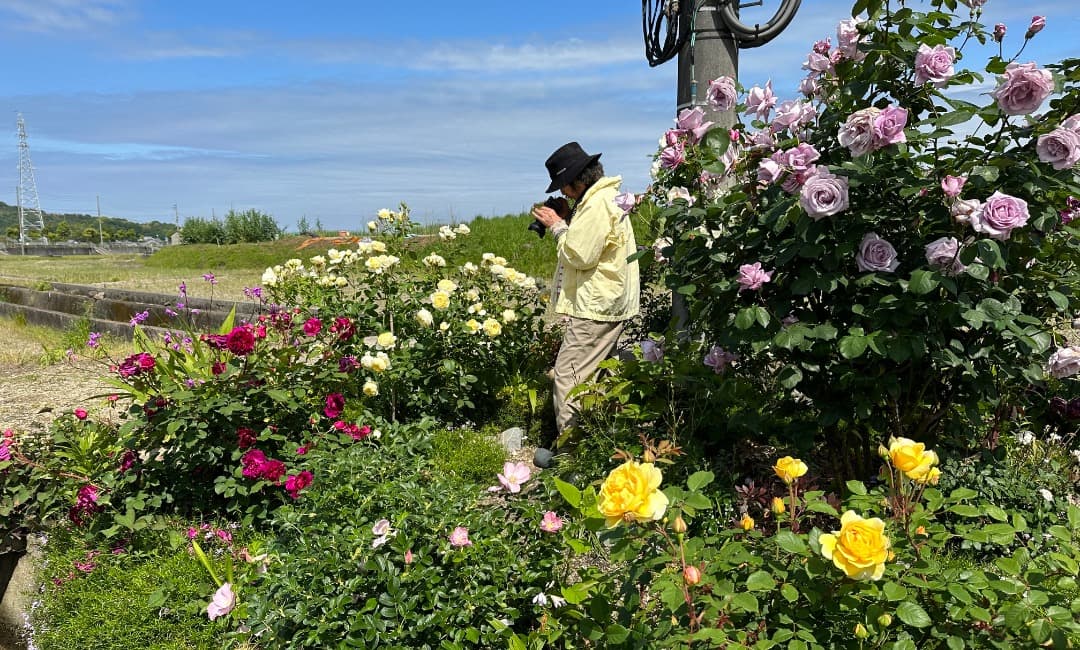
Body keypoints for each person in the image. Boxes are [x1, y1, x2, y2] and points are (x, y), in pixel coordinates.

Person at [531, 142, 640, 455]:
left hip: (596, 307)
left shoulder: (595, 205)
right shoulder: (604, 198)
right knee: (599, 376)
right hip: (608, 302)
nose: (563, 193)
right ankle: (601, 444)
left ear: (577, 181)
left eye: (564, 187)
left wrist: (557, 226)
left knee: (568, 376)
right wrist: (570, 216)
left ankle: (572, 455)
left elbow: (579, 255)